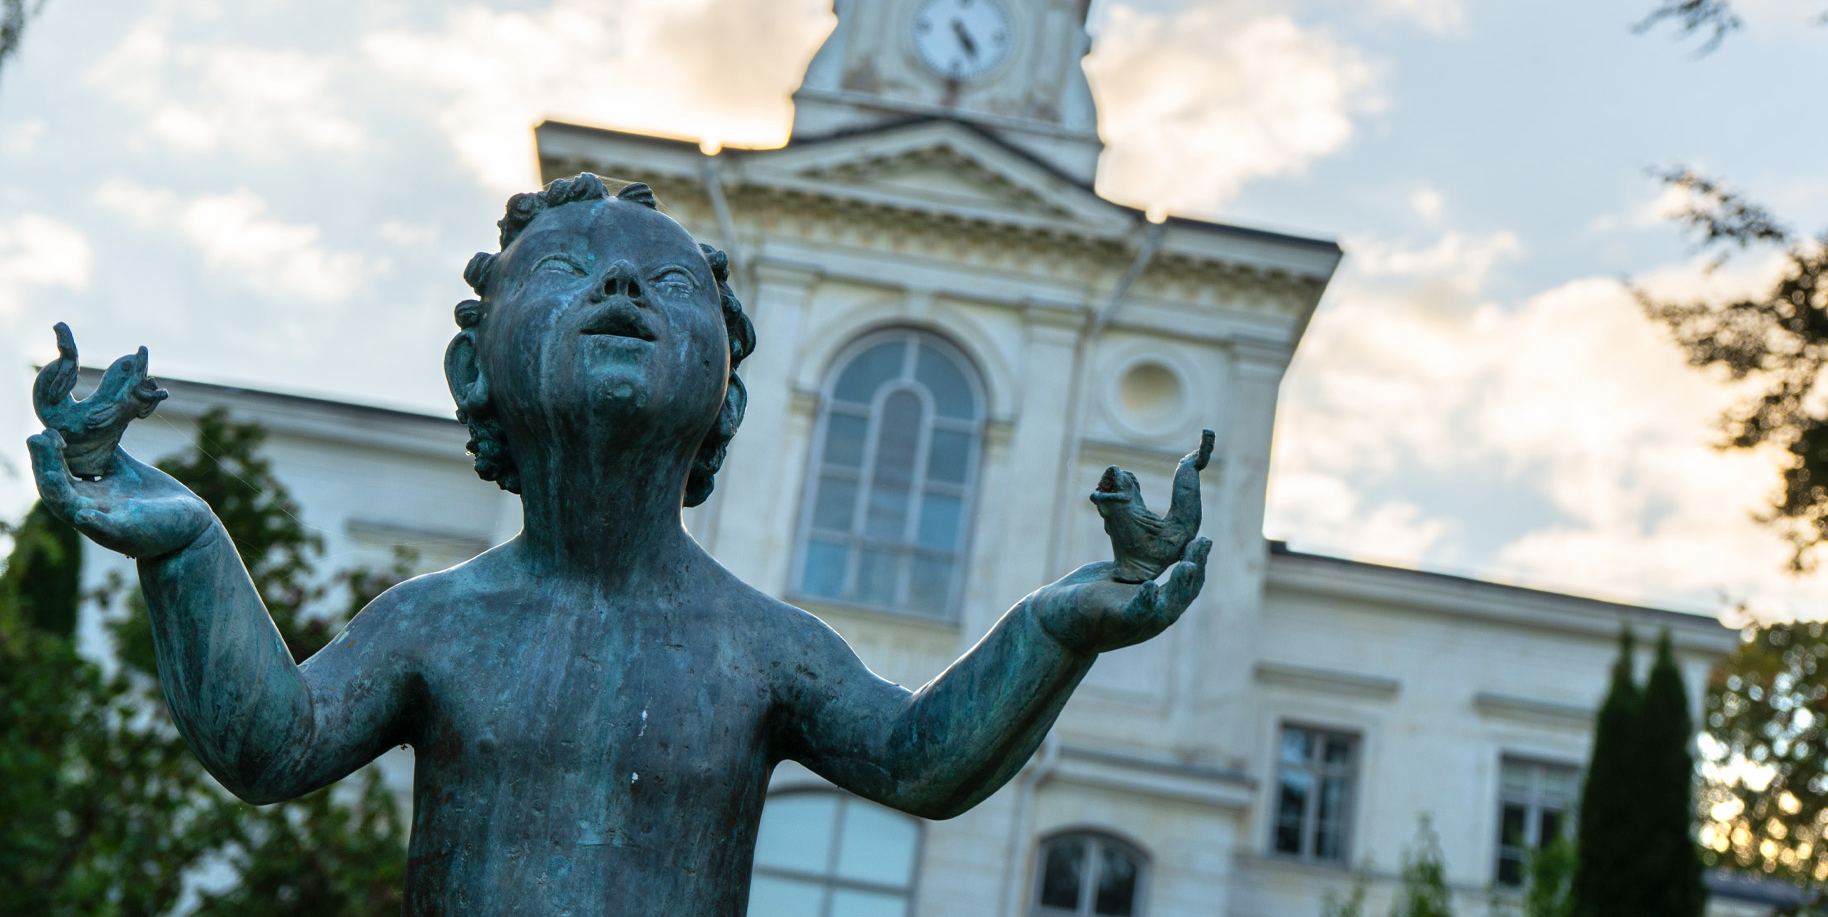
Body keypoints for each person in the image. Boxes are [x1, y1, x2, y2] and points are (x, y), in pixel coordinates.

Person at [28, 172, 1212, 915]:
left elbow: (919, 760)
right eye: (569, 271)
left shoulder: (762, 648)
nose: (621, 292)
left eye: (667, 286)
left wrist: (1063, 621)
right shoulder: (436, 621)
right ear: (472, 370)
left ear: (729, 399)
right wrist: (183, 545)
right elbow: (268, 744)